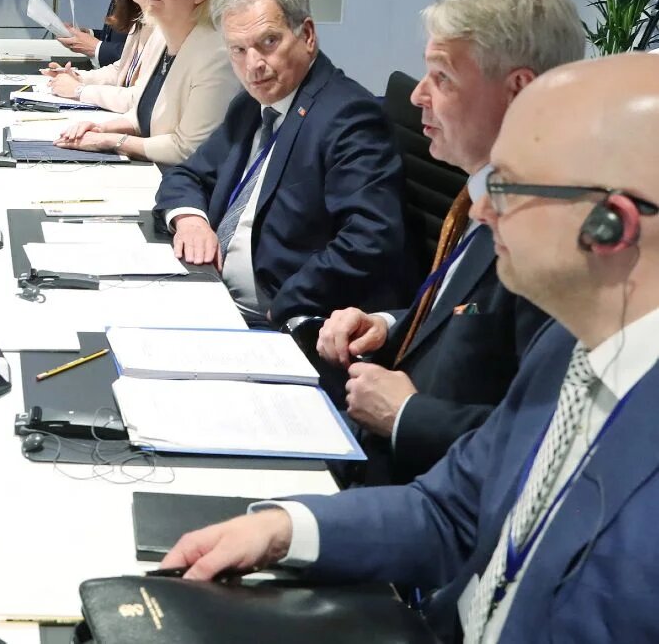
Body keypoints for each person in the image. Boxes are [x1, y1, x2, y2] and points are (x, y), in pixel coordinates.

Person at [162, 54, 659, 644]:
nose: (479, 209)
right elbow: (450, 511)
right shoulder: (568, 349)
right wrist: (282, 528)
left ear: (612, 225)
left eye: (506, 186)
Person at [315, 0, 581, 485]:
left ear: (519, 90)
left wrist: (408, 416)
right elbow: (465, 315)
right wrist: (388, 324)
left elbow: (549, 442)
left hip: (428, 493)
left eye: (442, 78)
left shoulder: (554, 238)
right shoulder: (489, 192)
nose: (417, 95)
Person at [153, 0, 406, 326]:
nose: (253, 65)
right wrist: (190, 221)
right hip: (209, 291)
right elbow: (186, 175)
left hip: (277, 319)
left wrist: (286, 305)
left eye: (268, 42)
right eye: (238, 50)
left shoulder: (348, 117)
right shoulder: (251, 105)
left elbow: (370, 238)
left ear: (307, 35)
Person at [53, 0, 237, 166]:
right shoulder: (164, 36)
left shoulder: (215, 56)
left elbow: (187, 149)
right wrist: (100, 128)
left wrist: (112, 141)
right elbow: (146, 112)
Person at [45, 0, 165, 112]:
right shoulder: (141, 21)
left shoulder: (169, 29)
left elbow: (141, 99)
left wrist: (79, 90)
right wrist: (77, 77)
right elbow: (121, 70)